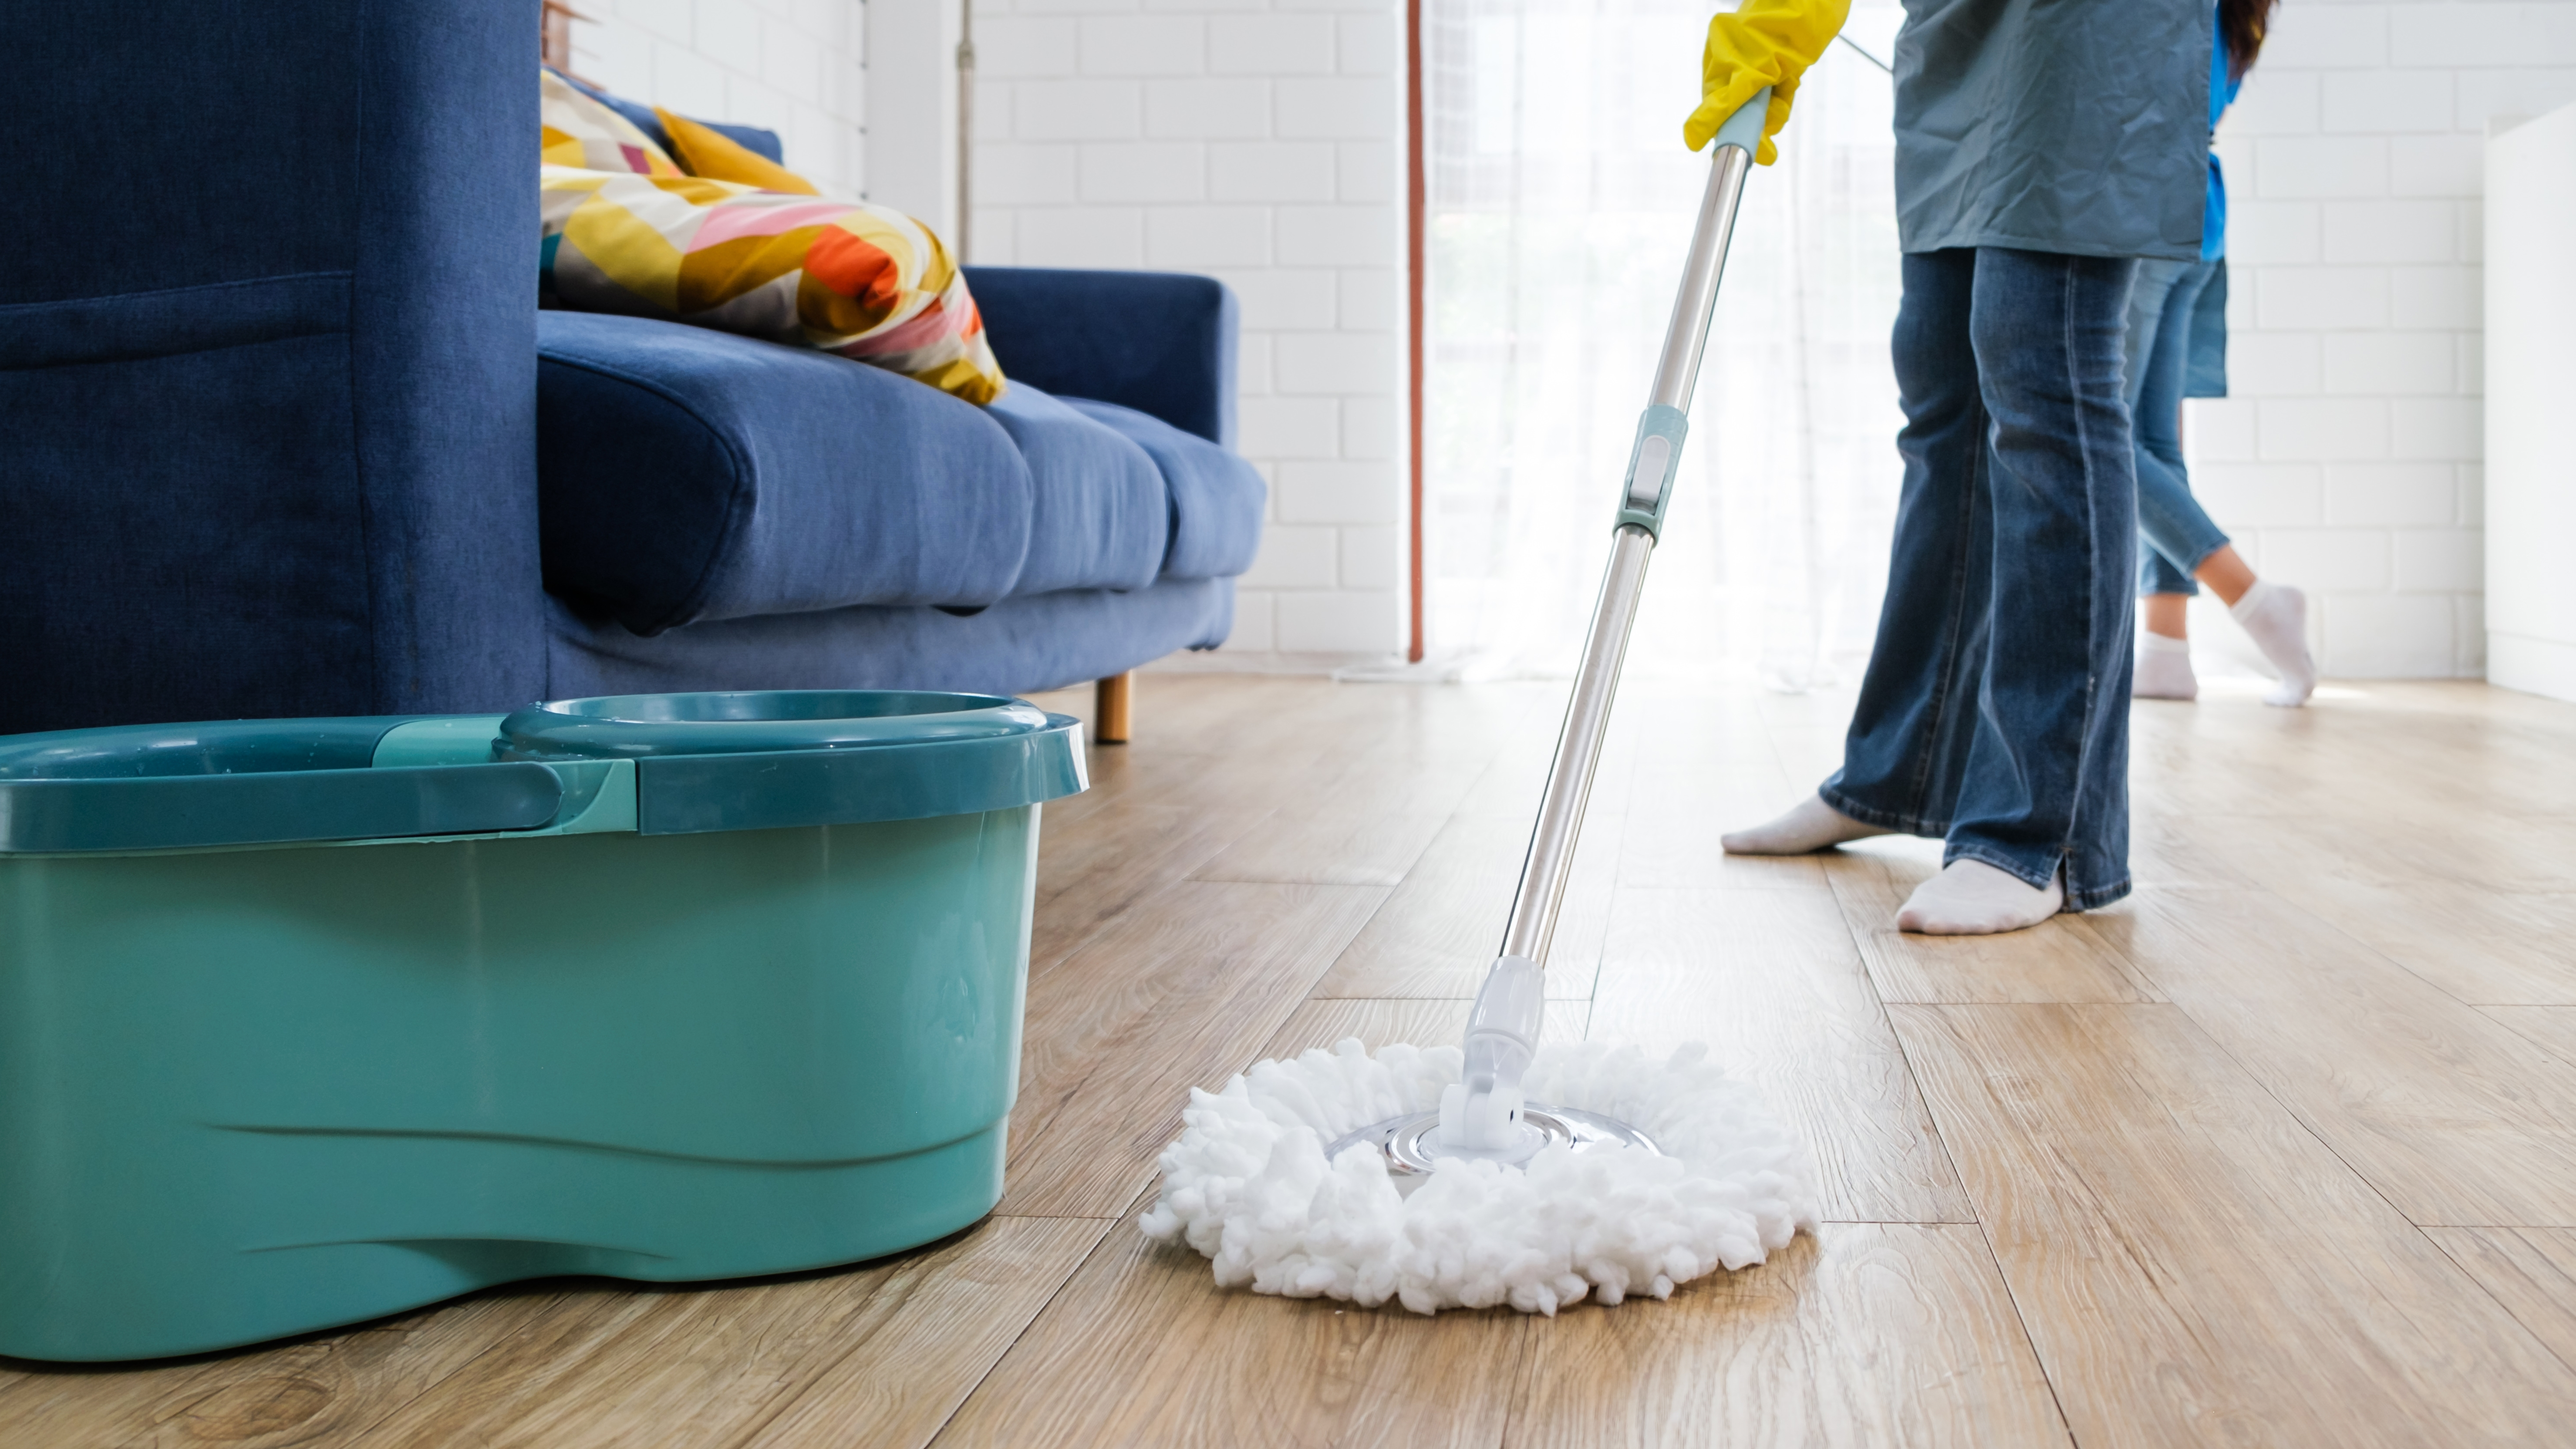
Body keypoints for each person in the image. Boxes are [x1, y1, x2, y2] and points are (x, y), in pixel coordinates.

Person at [1699, 0, 2213, 934]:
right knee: (1945, 400)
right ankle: (1900, 769)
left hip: (2086, 34)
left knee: (2042, 368)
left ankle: (2039, 833)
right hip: (1962, 34)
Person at [2129, 0, 2316, 707]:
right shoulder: (2244, 13)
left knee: (2107, 434)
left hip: (2146, 215)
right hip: (2198, 216)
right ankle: (2167, 650)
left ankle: (2259, 603)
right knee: (2152, 441)